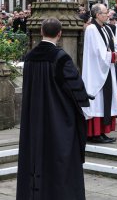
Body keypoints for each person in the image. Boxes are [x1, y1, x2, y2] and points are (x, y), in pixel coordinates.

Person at [17, 18, 89, 200]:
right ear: (60, 33)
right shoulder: (61, 57)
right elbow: (75, 87)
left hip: (33, 117)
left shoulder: (29, 58)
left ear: (41, 31)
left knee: (35, 154)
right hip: (57, 116)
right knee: (59, 156)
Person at [82, 3, 117, 143]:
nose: (108, 14)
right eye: (105, 12)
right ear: (97, 14)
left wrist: (116, 53)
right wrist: (111, 56)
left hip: (106, 69)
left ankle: (103, 132)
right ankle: (95, 133)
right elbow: (97, 52)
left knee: (106, 101)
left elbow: (113, 45)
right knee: (98, 102)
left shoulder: (106, 29)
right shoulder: (92, 29)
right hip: (96, 71)